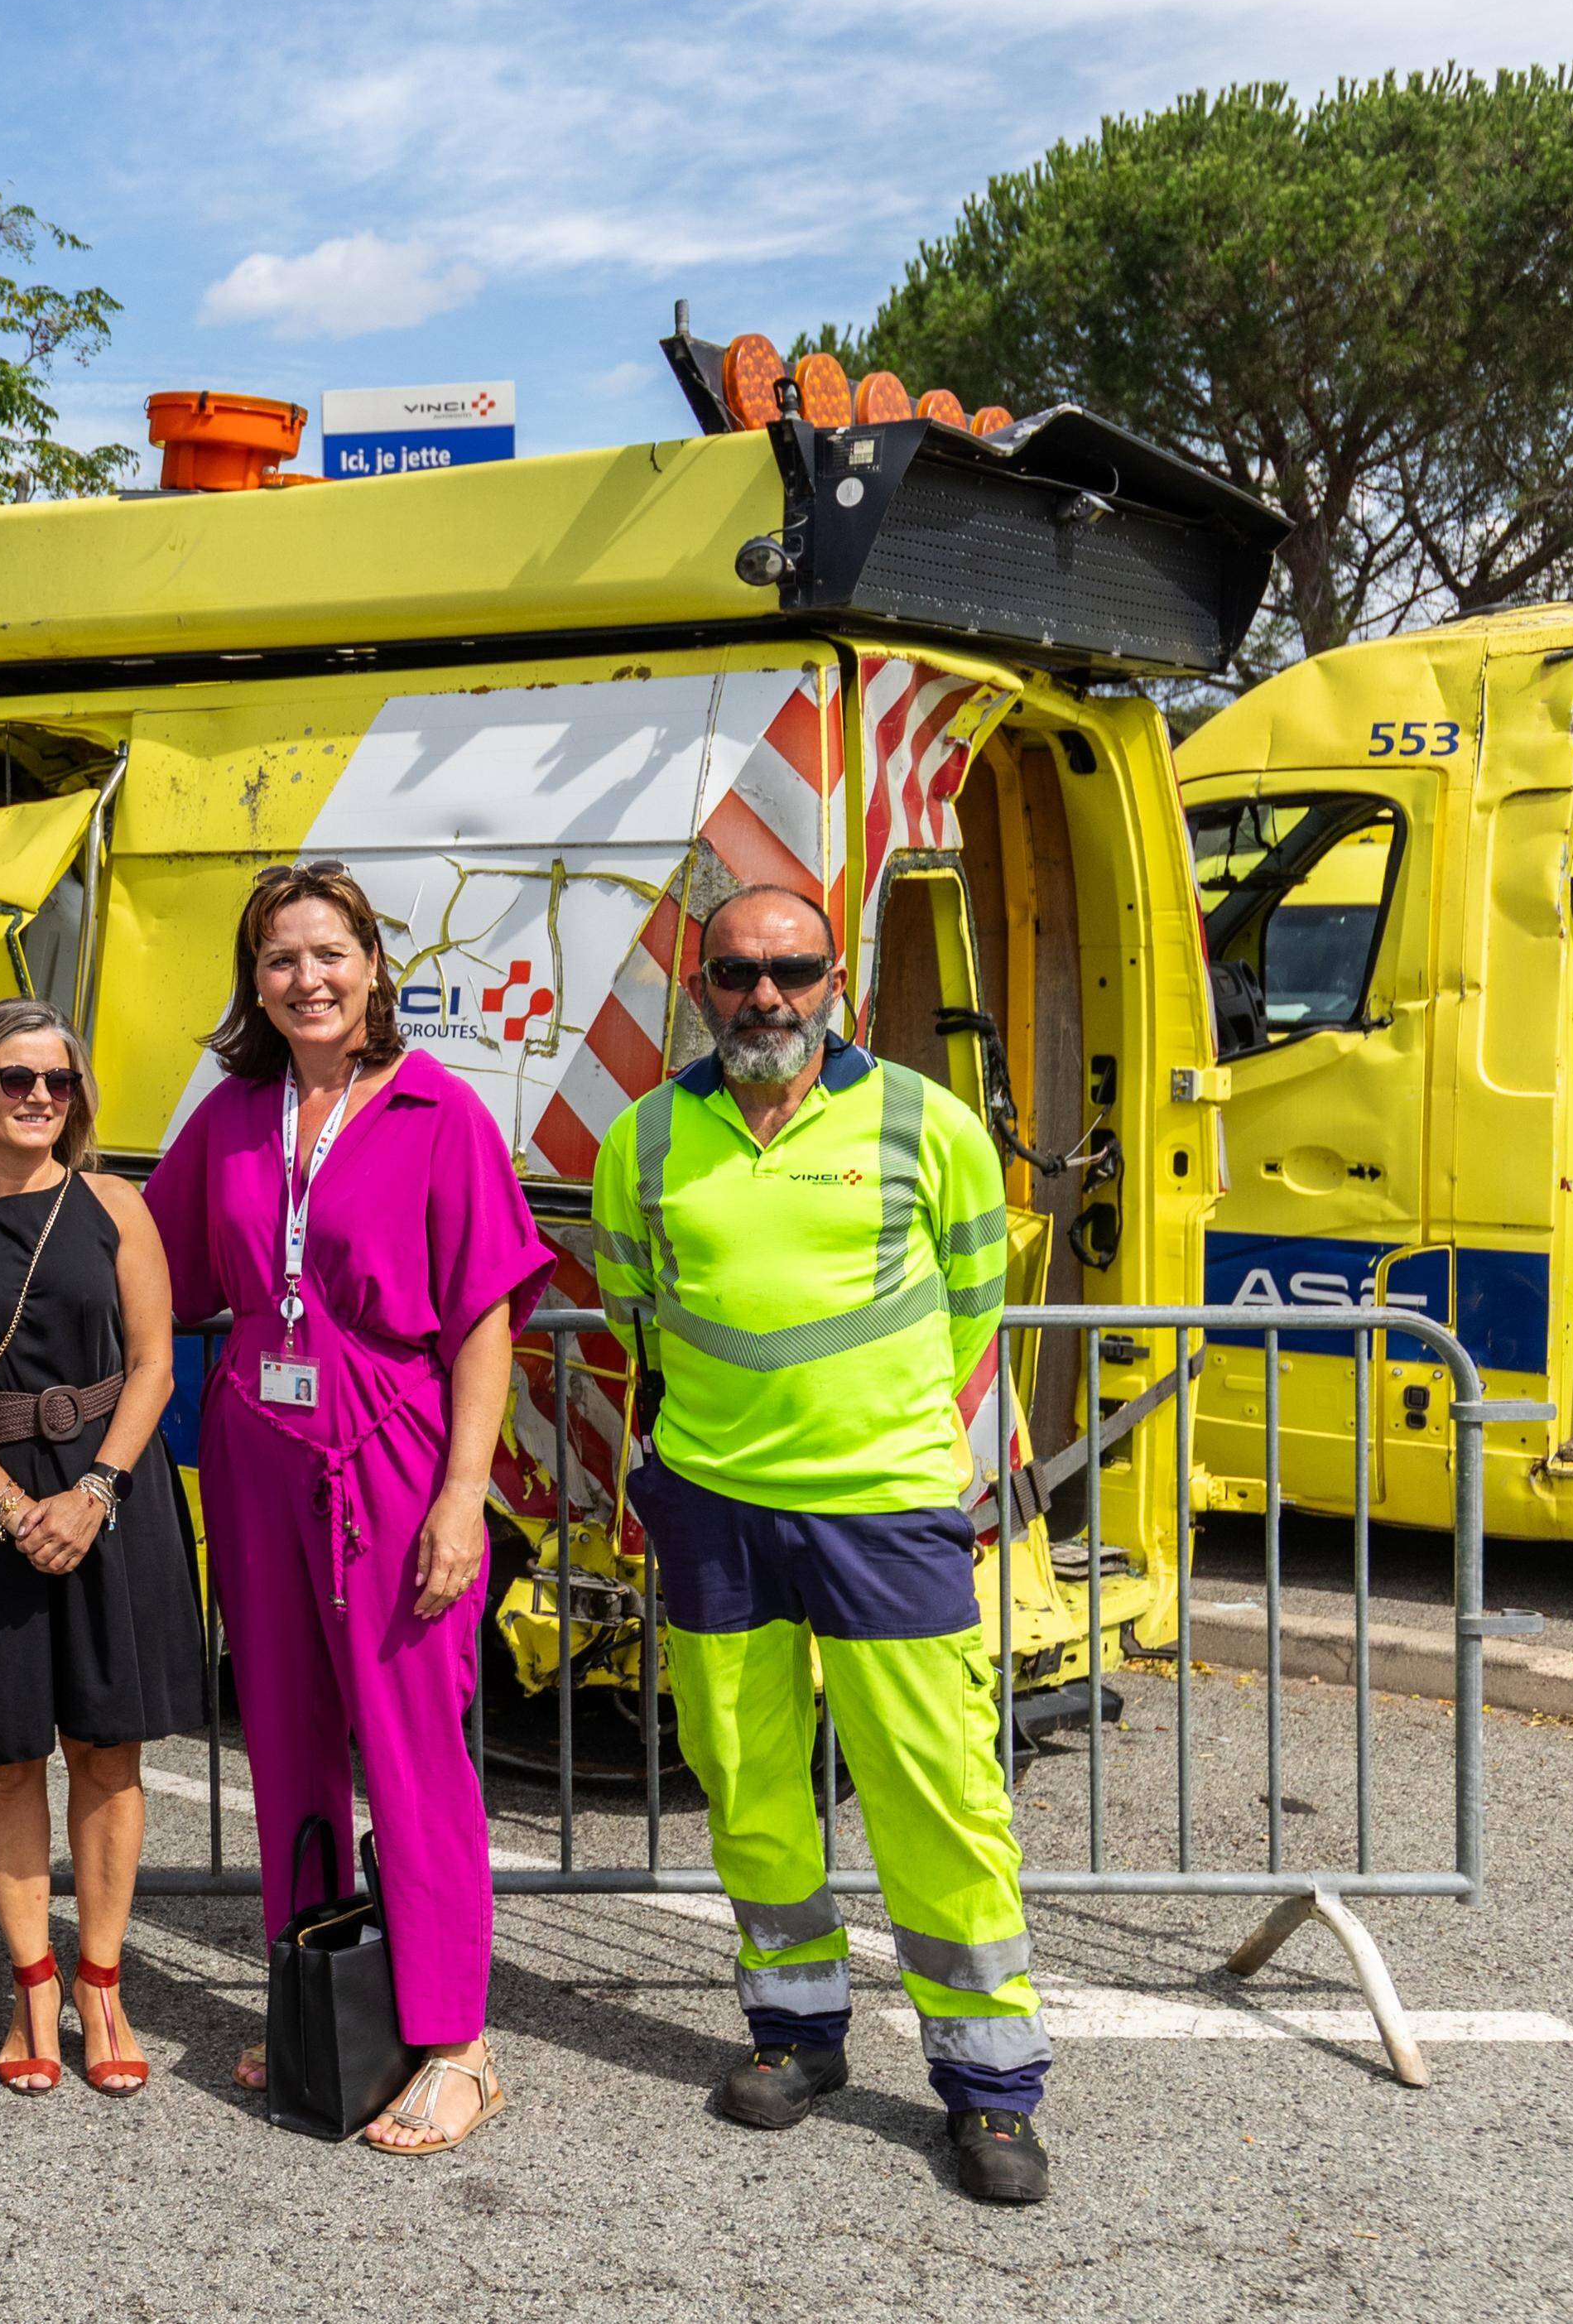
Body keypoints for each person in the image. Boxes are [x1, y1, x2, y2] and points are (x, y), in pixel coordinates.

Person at [589, 884, 1048, 2206]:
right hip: (715, 1503)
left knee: (936, 1786)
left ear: (837, 980)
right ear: (700, 988)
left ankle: (990, 2086)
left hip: (883, 1508)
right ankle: (794, 2030)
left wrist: (868, 1431)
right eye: (738, 973)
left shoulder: (925, 1122)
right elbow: (635, 1306)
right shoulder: (645, 1136)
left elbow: (974, 1304)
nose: (766, 997)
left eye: (792, 972)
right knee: (745, 1777)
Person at [145, 859, 548, 2157]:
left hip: (392, 1453)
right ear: (255, 982)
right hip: (258, 1450)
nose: (306, 978)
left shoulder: (439, 1111)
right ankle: (322, 2000)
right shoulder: (231, 1115)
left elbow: (483, 1320)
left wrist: (463, 1500)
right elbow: (153, 1264)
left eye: (329, 953)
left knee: (413, 1744)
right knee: (286, 1742)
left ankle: (454, 2041)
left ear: (374, 965)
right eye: (280, 958)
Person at [0, 999, 202, 2098]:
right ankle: (31, 1983)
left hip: (111, 1493)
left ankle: (101, 1983)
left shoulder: (115, 1203)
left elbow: (153, 1365)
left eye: (57, 1081)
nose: (38, 1097)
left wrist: (94, 1490)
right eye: (13, 1079)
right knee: (8, 1753)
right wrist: (18, 1508)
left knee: (109, 1750)